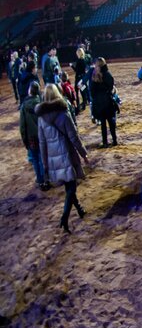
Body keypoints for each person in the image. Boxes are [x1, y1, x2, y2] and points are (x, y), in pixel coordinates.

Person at [37, 84, 89, 234]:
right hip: (67, 155)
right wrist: (83, 153)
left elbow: (42, 143)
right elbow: (74, 137)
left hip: (54, 159)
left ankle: (79, 209)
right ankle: (64, 217)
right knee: (71, 186)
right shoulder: (63, 114)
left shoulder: (41, 119)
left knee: (68, 186)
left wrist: (45, 163)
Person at [20, 82, 48, 191]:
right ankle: (46, 179)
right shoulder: (41, 103)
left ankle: (40, 180)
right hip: (42, 135)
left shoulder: (24, 106)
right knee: (43, 158)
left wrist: (24, 139)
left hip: (31, 137)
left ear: (30, 91)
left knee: (36, 159)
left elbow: (22, 126)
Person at [90, 57, 118, 148]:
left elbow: (92, 91)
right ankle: (114, 140)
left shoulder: (95, 74)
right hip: (108, 101)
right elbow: (111, 86)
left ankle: (105, 142)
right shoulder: (107, 74)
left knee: (103, 124)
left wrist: (96, 99)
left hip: (99, 103)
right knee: (111, 122)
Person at [71, 46, 91, 111]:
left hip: (78, 78)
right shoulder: (84, 60)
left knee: (76, 91)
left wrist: (71, 66)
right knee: (83, 90)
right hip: (83, 77)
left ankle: (78, 105)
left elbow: (76, 70)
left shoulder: (79, 60)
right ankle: (85, 103)